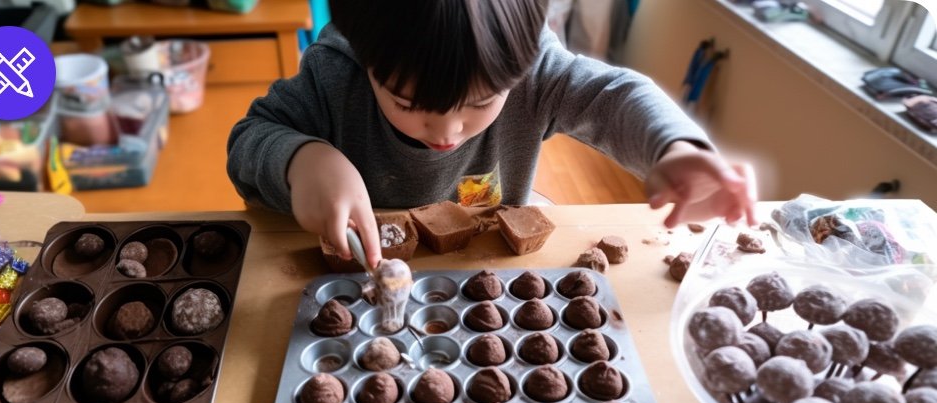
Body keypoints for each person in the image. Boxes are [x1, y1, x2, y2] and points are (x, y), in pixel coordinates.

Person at [227, 0, 756, 268]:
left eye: (481, 103)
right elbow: (248, 140)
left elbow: (612, 95)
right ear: (367, 62)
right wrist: (302, 159)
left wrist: (673, 146)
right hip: (360, 270)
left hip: (489, 264)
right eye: (408, 104)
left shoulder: (530, 71)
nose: (448, 131)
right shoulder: (333, 75)